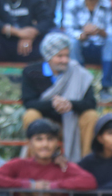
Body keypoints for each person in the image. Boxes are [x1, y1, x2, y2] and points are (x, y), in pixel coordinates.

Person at [21, 31, 99, 160]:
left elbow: (91, 103)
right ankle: (34, 162)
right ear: (48, 56)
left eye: (67, 56)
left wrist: (69, 104)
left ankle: (86, 163)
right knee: (30, 115)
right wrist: (54, 104)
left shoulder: (79, 73)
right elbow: (29, 102)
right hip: (46, 123)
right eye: (59, 56)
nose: (65, 60)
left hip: (72, 122)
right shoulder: (31, 71)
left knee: (91, 115)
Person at [62, 0, 112, 95]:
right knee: (72, 42)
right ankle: (79, 85)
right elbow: (68, 30)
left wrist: (100, 31)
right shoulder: (72, 3)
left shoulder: (108, 4)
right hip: (81, 48)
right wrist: (83, 34)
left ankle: (106, 87)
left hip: (101, 49)